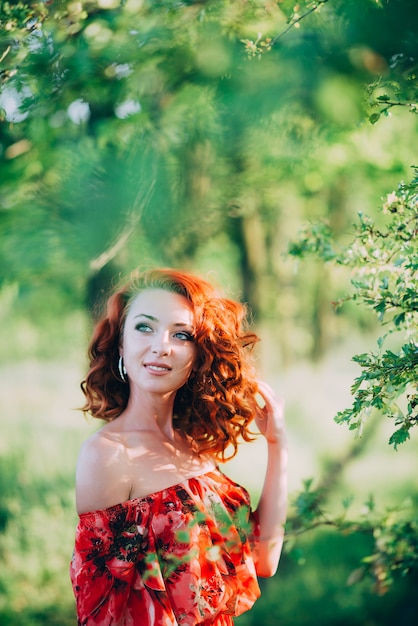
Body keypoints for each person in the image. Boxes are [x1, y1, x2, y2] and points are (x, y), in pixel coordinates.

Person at [70, 268, 287, 626]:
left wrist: (278, 445)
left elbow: (265, 559)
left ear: (198, 355)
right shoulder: (107, 454)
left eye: (182, 334)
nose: (162, 346)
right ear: (121, 344)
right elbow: (102, 613)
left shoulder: (197, 444)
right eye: (144, 327)